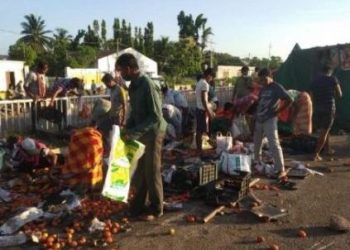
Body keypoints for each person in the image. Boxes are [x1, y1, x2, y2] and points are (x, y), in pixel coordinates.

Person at [115, 53, 167, 221]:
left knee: (151, 171)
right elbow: (135, 113)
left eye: (121, 70)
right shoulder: (132, 87)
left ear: (129, 69)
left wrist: (134, 132)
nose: (120, 74)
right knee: (140, 171)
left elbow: (155, 117)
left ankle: (156, 208)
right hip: (141, 131)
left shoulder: (148, 85)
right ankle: (137, 206)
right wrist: (126, 129)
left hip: (153, 132)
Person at [254, 68, 292, 179]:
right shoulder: (263, 89)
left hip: (270, 119)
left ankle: (281, 169)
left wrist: (278, 111)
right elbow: (259, 102)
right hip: (259, 119)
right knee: (257, 142)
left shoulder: (277, 87)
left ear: (270, 77)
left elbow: (289, 99)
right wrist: (256, 115)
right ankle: (257, 163)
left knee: (274, 144)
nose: (263, 82)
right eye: (261, 80)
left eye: (264, 79)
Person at [310, 65, 342, 161]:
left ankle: (327, 149)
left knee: (325, 129)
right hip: (328, 108)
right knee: (324, 132)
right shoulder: (332, 79)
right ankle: (315, 154)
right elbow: (340, 94)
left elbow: (311, 95)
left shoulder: (314, 80)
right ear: (330, 71)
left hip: (317, 108)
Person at [60, 126, 104, 193]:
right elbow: (98, 155)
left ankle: (82, 192)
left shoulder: (77, 136)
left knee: (76, 173)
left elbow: (72, 153)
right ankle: (90, 191)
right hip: (93, 170)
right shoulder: (97, 138)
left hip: (80, 171)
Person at [195, 68, 216, 155]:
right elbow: (204, 100)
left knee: (200, 130)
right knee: (202, 131)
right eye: (211, 77)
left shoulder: (199, 82)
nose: (211, 80)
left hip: (198, 109)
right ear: (209, 75)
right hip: (202, 110)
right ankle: (201, 150)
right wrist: (210, 112)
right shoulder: (205, 84)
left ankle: (203, 148)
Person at [24, 60, 49, 132]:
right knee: (34, 114)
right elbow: (25, 86)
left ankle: (38, 128)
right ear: (39, 68)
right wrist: (32, 96)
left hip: (41, 99)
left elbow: (44, 86)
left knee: (40, 114)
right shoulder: (32, 74)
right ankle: (33, 129)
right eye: (44, 69)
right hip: (33, 99)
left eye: (46, 69)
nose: (45, 71)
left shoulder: (42, 75)